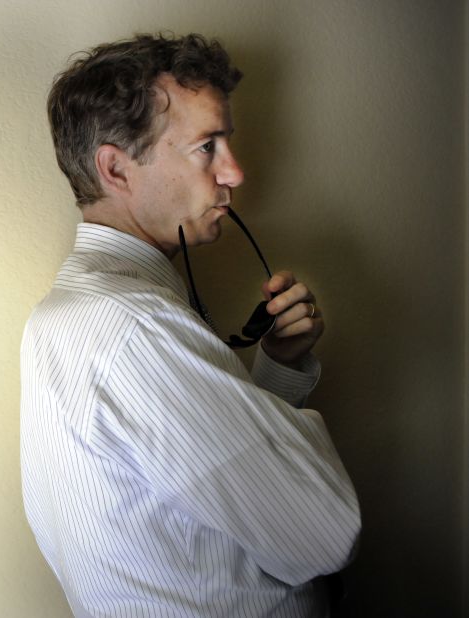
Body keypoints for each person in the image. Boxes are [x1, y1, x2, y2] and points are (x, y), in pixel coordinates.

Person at [20, 33, 360, 617]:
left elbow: (197, 508)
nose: (235, 173)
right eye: (207, 147)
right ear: (116, 169)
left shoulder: (76, 314)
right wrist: (296, 439)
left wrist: (276, 367)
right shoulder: (137, 330)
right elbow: (325, 530)